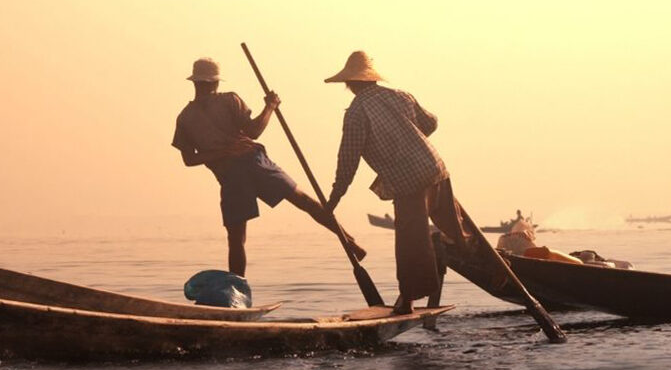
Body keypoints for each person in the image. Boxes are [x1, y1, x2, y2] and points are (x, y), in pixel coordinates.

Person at [172, 57, 366, 277]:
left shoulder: (185, 117)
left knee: (236, 240)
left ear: (195, 82)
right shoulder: (227, 101)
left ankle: (239, 289)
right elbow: (254, 132)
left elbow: (189, 159)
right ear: (215, 82)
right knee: (305, 202)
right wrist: (270, 107)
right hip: (251, 165)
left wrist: (220, 153)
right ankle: (350, 242)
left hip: (232, 174)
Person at [324, 50, 476, 315]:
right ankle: (493, 267)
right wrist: (408, 137)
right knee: (458, 232)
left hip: (409, 183)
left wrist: (335, 197)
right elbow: (431, 122)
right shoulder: (401, 96)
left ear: (350, 83)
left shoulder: (357, 112)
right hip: (436, 168)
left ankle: (406, 300)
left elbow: (348, 159)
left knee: (409, 243)